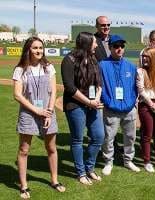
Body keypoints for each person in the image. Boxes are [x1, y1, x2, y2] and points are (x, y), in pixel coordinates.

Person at [13, 37, 65, 198]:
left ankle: (54, 180)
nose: (38, 51)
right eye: (35, 48)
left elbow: (53, 91)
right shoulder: (20, 69)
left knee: (51, 148)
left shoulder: (48, 67)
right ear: (28, 49)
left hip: (47, 113)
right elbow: (17, 95)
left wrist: (48, 111)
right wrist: (37, 110)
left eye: (41, 48)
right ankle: (24, 185)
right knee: (24, 150)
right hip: (28, 113)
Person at [61, 32, 105, 185]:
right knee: (77, 139)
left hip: (93, 104)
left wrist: (97, 98)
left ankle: (89, 168)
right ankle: (80, 173)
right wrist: (88, 102)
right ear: (87, 43)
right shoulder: (69, 60)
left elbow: (99, 82)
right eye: (94, 43)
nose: (96, 45)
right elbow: (70, 88)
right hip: (75, 105)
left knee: (99, 136)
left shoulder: (93, 59)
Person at [98, 35, 140, 175]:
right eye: (116, 46)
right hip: (111, 108)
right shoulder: (102, 65)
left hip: (129, 109)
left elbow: (135, 87)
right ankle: (108, 162)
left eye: (121, 46)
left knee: (130, 137)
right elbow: (100, 87)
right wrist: (108, 102)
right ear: (110, 48)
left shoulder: (130, 66)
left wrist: (132, 102)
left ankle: (128, 161)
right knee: (109, 137)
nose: (119, 49)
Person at [137, 47, 155, 172]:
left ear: (153, 58)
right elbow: (141, 90)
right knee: (147, 134)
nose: (144, 58)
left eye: (147, 56)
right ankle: (147, 161)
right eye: (143, 56)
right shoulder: (140, 71)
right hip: (145, 105)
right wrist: (151, 104)